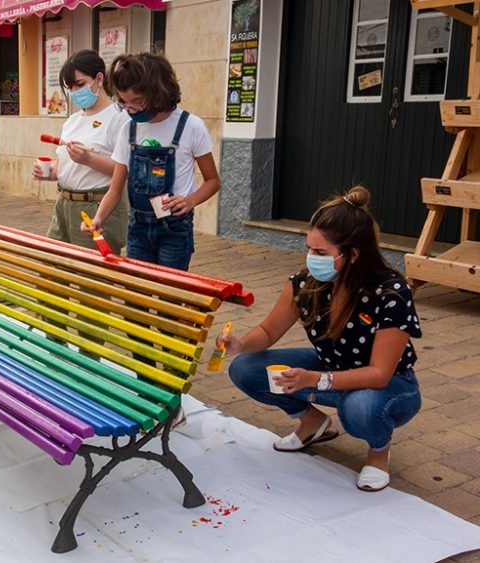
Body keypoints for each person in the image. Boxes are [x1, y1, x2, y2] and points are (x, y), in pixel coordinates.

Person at [223, 186, 422, 492]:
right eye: (309, 248)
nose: (311, 258)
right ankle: (312, 422)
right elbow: (268, 331)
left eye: (320, 252)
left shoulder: (390, 292)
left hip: (390, 385)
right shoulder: (307, 283)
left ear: (353, 254)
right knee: (245, 368)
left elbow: (380, 373)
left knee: (359, 408)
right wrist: (241, 345)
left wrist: (313, 380)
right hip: (328, 368)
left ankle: (379, 452)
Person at [85, 52, 220, 270]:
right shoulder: (128, 130)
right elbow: (115, 188)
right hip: (138, 227)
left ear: (159, 92)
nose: (132, 109)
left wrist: (190, 201)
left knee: (170, 294)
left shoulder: (191, 126)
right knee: (137, 295)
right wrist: (98, 219)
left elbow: (213, 181)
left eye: (137, 101)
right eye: (125, 103)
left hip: (174, 229)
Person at [34, 49, 129, 253]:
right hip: (64, 203)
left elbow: (124, 169)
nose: (76, 92)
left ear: (99, 78)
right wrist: (49, 172)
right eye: (70, 87)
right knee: (53, 266)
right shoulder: (73, 120)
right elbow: (62, 165)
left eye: (80, 84)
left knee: (93, 276)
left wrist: (89, 159)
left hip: (96, 205)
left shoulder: (119, 117)